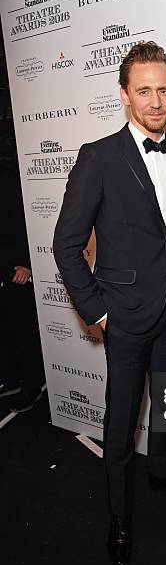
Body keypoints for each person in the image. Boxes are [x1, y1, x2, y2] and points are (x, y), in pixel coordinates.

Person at [53, 42, 166, 565]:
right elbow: (66, 245)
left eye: (164, 90)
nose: (156, 101)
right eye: (144, 91)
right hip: (123, 315)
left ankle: (161, 474)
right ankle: (120, 516)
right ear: (124, 95)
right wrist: (97, 311)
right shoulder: (98, 156)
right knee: (121, 423)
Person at [0, 163, 45, 412]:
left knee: (22, 328)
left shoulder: (6, 177)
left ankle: (32, 385)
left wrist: (27, 263)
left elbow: (23, 220)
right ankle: (11, 379)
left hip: (15, 269)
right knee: (4, 330)